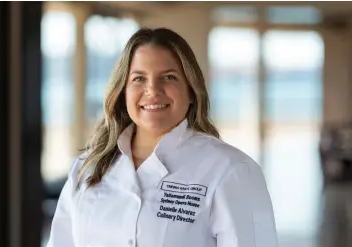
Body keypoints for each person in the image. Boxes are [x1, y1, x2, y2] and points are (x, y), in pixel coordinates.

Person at [47, 27, 278, 247]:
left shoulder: (230, 170)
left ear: (191, 91)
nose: (153, 90)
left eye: (168, 77)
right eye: (139, 78)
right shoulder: (87, 168)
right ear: (122, 92)